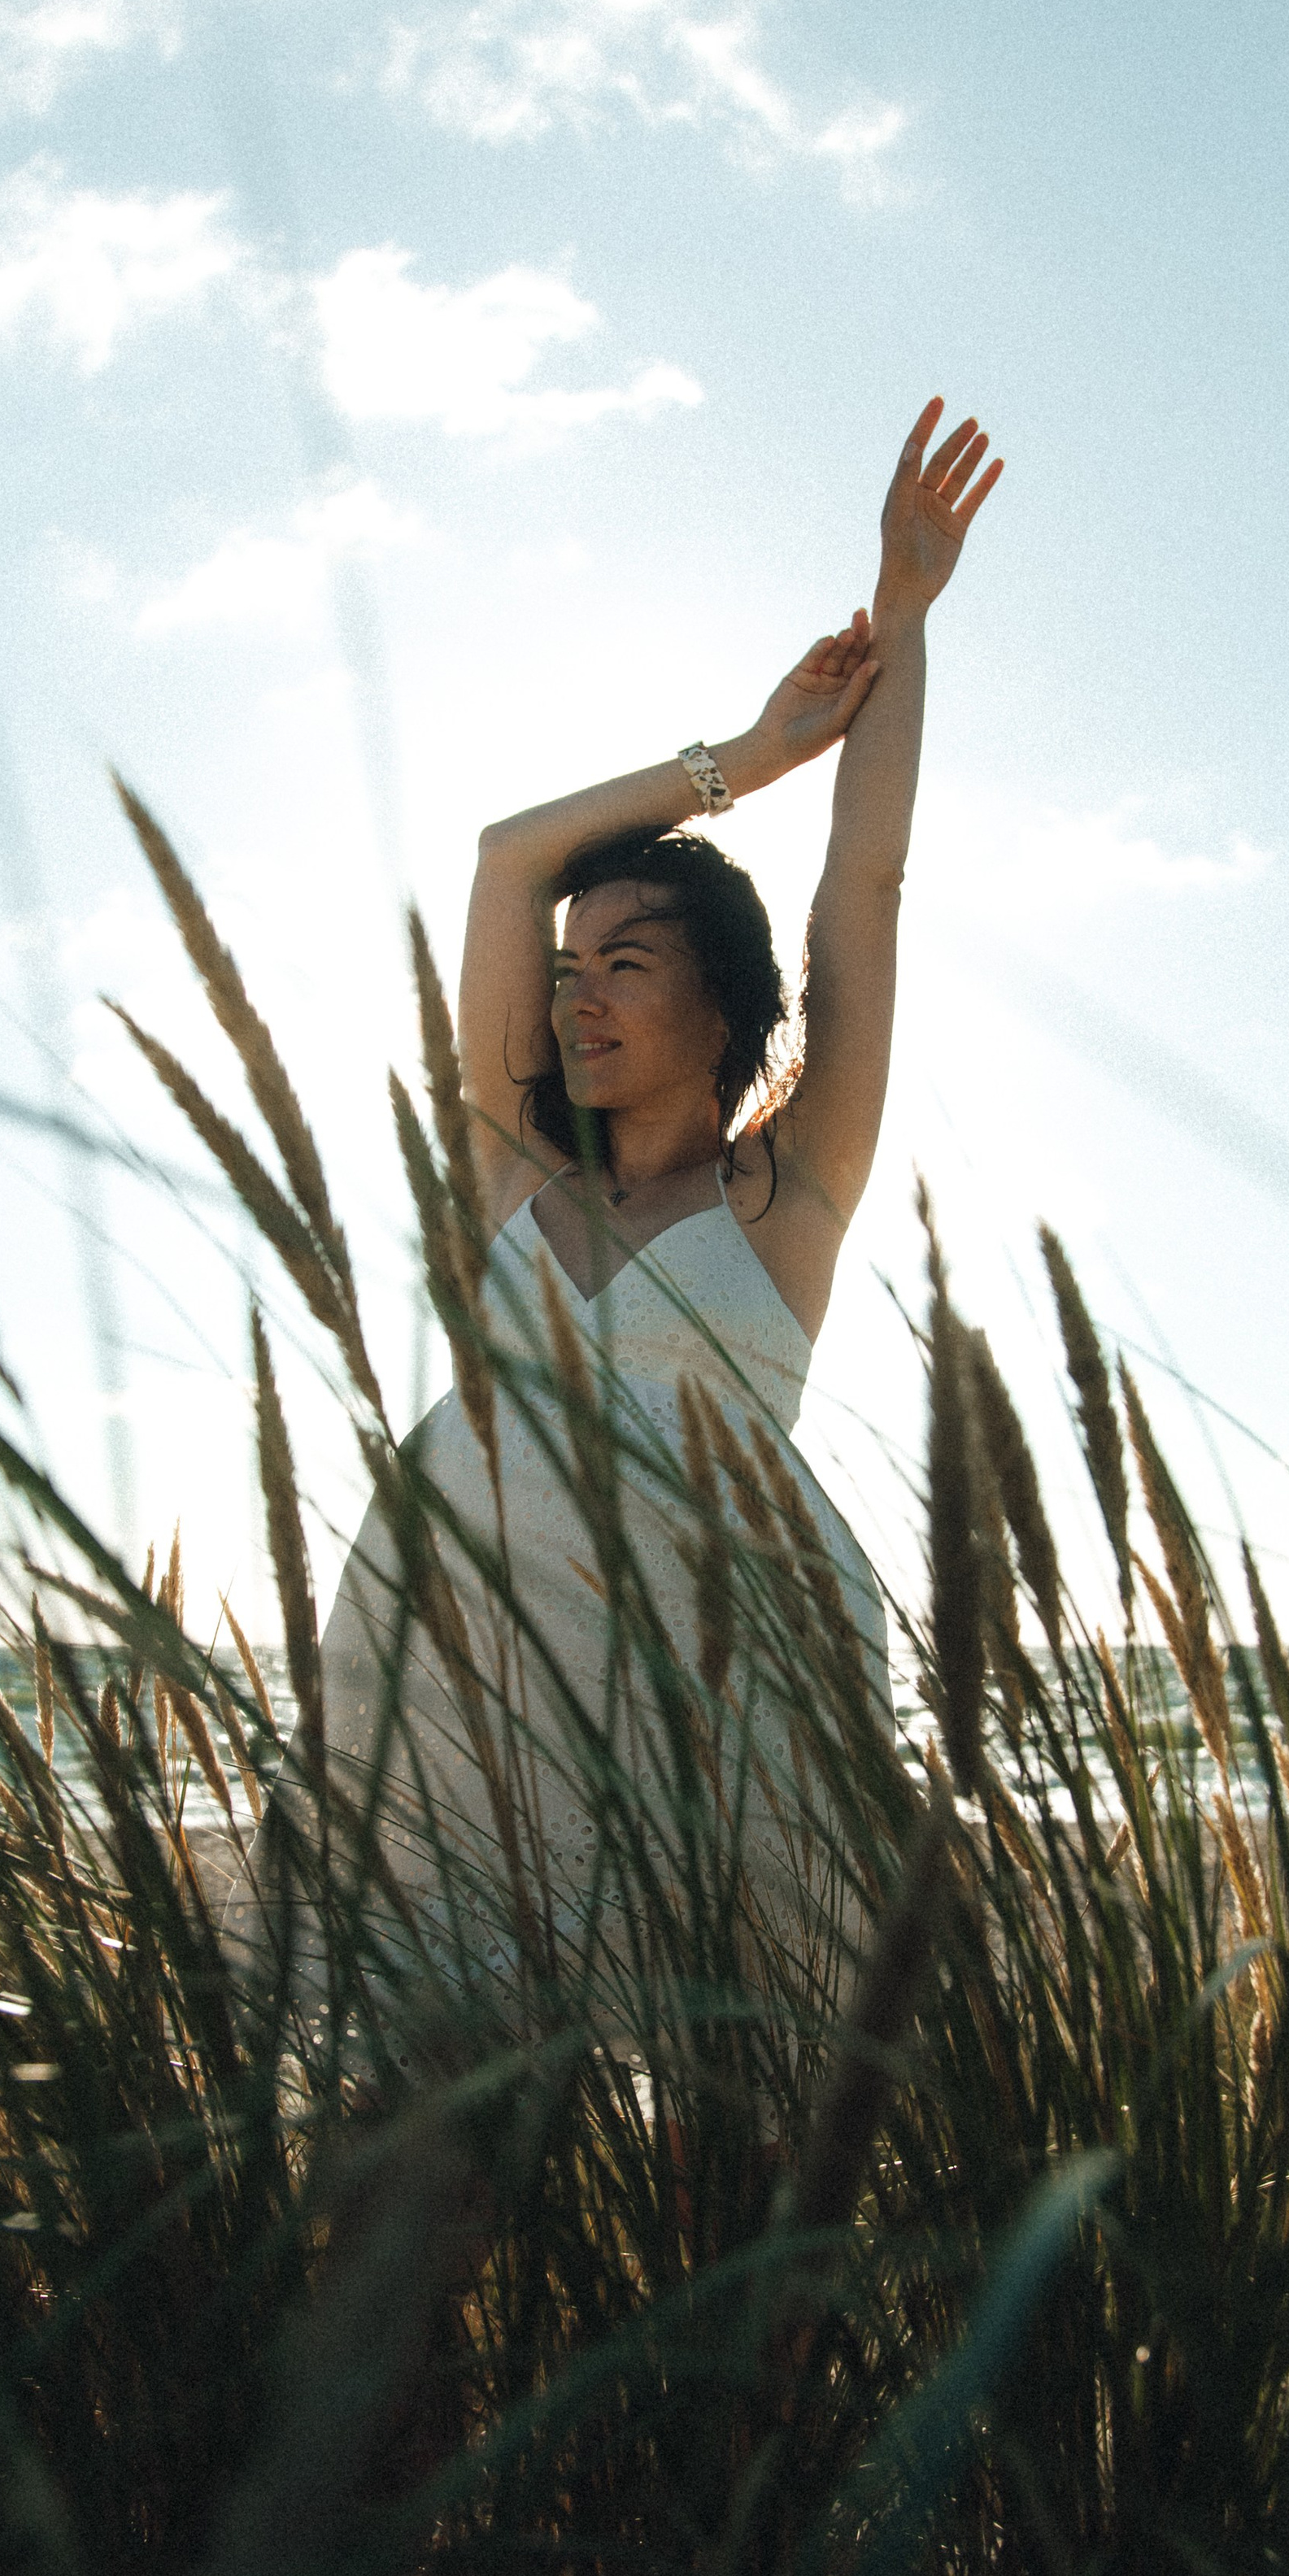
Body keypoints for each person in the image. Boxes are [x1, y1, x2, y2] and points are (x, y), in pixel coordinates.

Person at [298, 396, 1003, 2039]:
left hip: (726, 1699)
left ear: (721, 995)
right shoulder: (509, 1171)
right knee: (434, 2130)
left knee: (729, 2135)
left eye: (622, 962)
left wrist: (899, 623)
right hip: (468, 1681)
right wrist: (739, 762)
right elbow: (502, 860)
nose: (577, 999)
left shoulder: (787, 1189)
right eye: (567, 975)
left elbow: (863, 893)